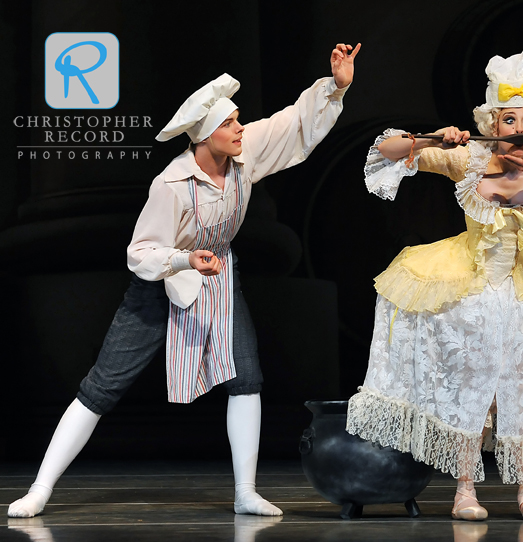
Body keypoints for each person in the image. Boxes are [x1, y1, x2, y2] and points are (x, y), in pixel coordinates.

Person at [7, 42, 361, 519]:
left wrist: (335, 87)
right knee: (102, 386)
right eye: (230, 123)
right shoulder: (170, 184)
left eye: (239, 121)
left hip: (218, 280)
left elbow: (293, 123)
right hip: (161, 283)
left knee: (246, 378)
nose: (241, 129)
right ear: (204, 135)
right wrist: (182, 261)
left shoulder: (244, 153)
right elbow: (141, 252)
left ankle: (245, 491)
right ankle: (41, 488)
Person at [346, 49, 523, 521]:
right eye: (507, 119)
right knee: (475, 381)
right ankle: (464, 490)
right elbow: (387, 151)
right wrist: (435, 137)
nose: (518, 127)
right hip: (472, 282)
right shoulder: (470, 159)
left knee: (521, 384)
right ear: (493, 125)